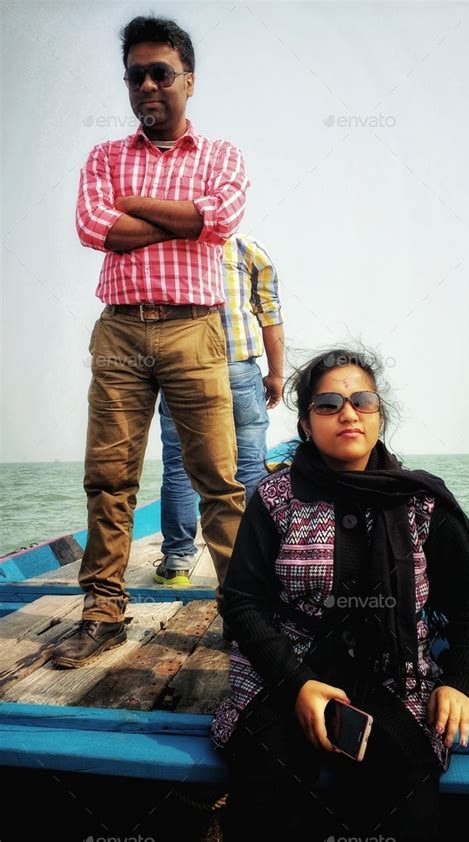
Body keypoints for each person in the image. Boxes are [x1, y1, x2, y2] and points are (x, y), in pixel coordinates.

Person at [211, 348, 469, 841]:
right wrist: (298, 684)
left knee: (409, 813)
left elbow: (468, 605)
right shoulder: (275, 498)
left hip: (398, 677)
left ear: (379, 415)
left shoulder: (422, 499)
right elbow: (243, 602)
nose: (347, 413)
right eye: (328, 404)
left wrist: (460, 680)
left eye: (362, 401)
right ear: (306, 424)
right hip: (286, 669)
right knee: (266, 802)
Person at [52, 16, 249, 668]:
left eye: (159, 72)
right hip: (120, 327)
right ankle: (102, 617)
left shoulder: (221, 156)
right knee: (108, 480)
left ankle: (250, 622)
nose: (146, 85)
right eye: (135, 74)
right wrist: (185, 221)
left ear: (188, 80)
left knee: (219, 481)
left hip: (195, 327)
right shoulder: (104, 156)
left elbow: (221, 217)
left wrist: (138, 207)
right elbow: (93, 226)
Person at [154, 235, 284, 586]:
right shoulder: (247, 250)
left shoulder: (166, 250)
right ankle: (257, 558)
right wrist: (276, 374)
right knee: (249, 467)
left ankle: (178, 560)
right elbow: (270, 317)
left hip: (184, 370)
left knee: (180, 466)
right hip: (238, 368)